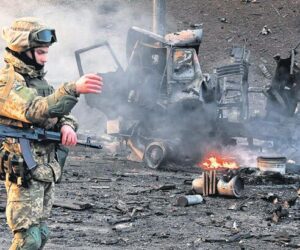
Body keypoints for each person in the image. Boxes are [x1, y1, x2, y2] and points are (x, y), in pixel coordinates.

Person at [0, 17, 103, 249]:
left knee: (42, 233)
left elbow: (55, 111)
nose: (45, 58)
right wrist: (73, 88)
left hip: (44, 168)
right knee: (29, 239)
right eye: (41, 53)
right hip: (24, 171)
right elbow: (37, 110)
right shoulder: (8, 82)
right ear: (23, 50)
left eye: (46, 53)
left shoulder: (35, 80)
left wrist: (66, 125)